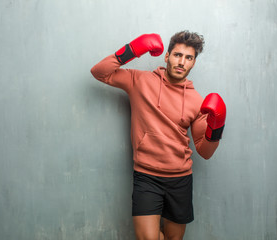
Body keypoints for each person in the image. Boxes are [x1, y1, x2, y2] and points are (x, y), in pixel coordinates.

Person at [90, 31, 226, 240]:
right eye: (177, 55)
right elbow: (99, 72)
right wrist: (132, 50)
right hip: (146, 176)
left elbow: (205, 151)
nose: (182, 62)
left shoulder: (197, 101)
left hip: (180, 179)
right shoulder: (140, 80)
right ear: (167, 56)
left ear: (193, 63)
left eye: (188, 58)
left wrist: (216, 127)